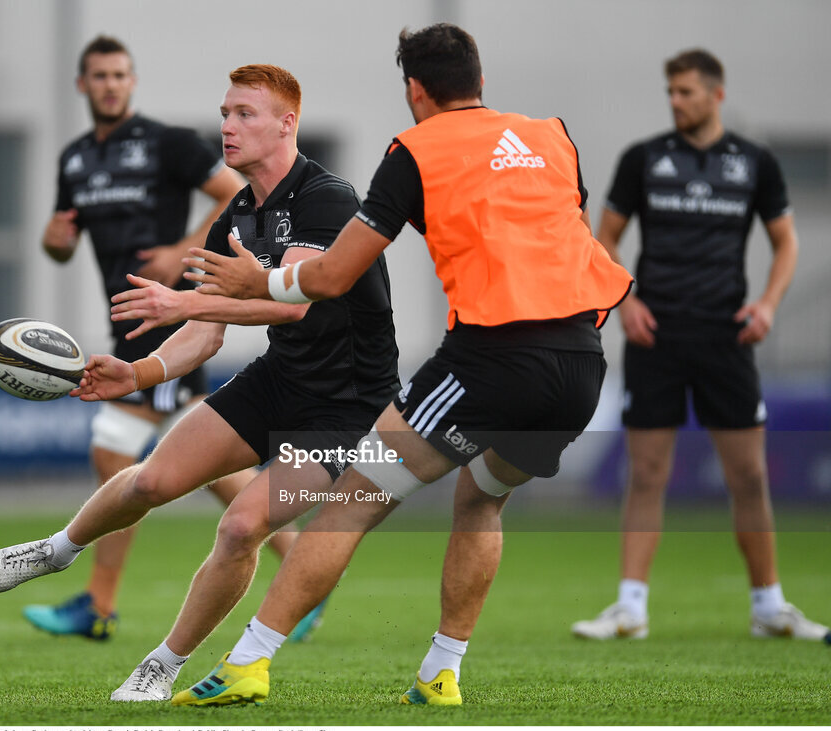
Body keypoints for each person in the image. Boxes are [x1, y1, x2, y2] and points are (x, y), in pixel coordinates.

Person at [170, 23, 633, 707]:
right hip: (580, 364)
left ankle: (248, 660)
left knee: (352, 501)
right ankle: (440, 672)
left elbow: (331, 276)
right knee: (482, 499)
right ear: (478, 78)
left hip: (491, 356)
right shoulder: (552, 137)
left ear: (416, 90)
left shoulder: (414, 150)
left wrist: (256, 283)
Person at [0, 64, 401, 702]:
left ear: (287, 124)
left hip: (348, 405)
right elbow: (204, 331)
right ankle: (60, 549)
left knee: (239, 525)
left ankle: (162, 664)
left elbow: (294, 303)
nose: (227, 126)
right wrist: (136, 373)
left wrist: (181, 306)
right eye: (225, 113)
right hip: (281, 377)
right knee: (151, 480)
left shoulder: (326, 197)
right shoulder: (236, 213)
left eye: (245, 114)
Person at [29, 35, 280, 641]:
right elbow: (59, 243)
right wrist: (53, 243)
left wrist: (183, 251)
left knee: (125, 451)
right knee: (182, 456)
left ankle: (99, 605)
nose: (111, 84)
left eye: (120, 74)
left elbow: (230, 193)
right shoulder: (74, 161)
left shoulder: (164, 143)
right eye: (100, 75)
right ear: (82, 86)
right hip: (126, 322)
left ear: (131, 82)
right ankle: (302, 563)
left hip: (166, 320)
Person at [571, 49, 827, 642]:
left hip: (727, 339)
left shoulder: (755, 163)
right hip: (656, 337)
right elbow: (602, 239)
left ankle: (770, 608)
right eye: (671, 92)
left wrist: (766, 305)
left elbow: (785, 244)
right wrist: (626, 302)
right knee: (647, 474)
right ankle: (630, 609)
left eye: (685, 91)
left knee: (750, 477)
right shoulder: (645, 159)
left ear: (715, 94)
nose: (675, 101)